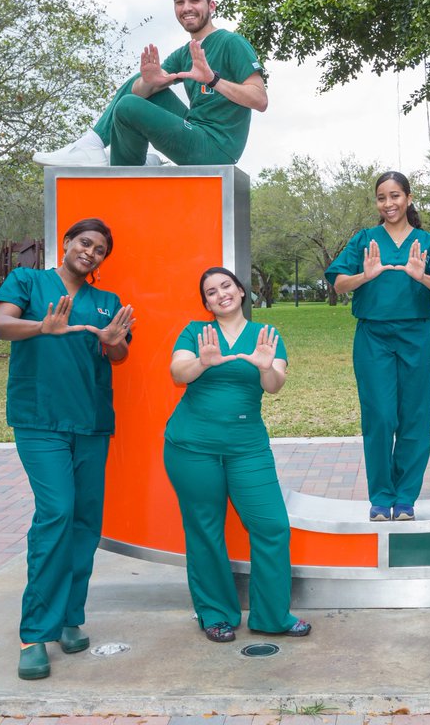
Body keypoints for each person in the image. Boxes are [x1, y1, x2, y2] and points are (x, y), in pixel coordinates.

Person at [0, 218, 136, 680]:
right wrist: (43, 328)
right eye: (85, 243)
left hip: (90, 422)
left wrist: (113, 344)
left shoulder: (106, 301)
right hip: (40, 420)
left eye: (100, 250)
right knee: (56, 513)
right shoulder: (28, 280)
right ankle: (35, 633)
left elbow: (118, 354)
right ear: (68, 243)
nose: (91, 252)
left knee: (85, 521)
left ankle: (70, 616)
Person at [163, 267, 310, 643]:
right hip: (192, 448)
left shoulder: (266, 335)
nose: (220, 294)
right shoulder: (197, 333)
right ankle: (216, 615)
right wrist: (203, 362)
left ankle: (272, 616)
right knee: (204, 530)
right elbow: (178, 372)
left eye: (226, 286)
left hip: (248, 448)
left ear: (241, 291)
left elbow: (275, 385)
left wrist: (265, 367)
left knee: (272, 526)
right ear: (206, 302)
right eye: (211, 292)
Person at [325, 171, 430, 522]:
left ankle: (405, 499)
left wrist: (421, 277)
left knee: (414, 417)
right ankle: (381, 497)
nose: (389, 203)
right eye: (382, 197)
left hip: (416, 336)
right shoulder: (365, 240)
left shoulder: (426, 242)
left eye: (395, 196)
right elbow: (339, 284)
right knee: (381, 416)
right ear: (377, 202)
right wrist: (365, 277)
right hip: (373, 337)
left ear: (409, 198)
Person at [33, 0, 267, 167]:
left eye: (194, 0)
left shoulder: (231, 43)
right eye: (179, 2)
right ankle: (98, 147)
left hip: (216, 148)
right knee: (139, 83)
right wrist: (149, 82)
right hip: (193, 129)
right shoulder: (184, 53)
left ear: (211, 6)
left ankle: (114, 158)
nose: (187, 8)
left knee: (127, 107)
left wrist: (213, 79)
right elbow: (138, 89)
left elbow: (260, 100)